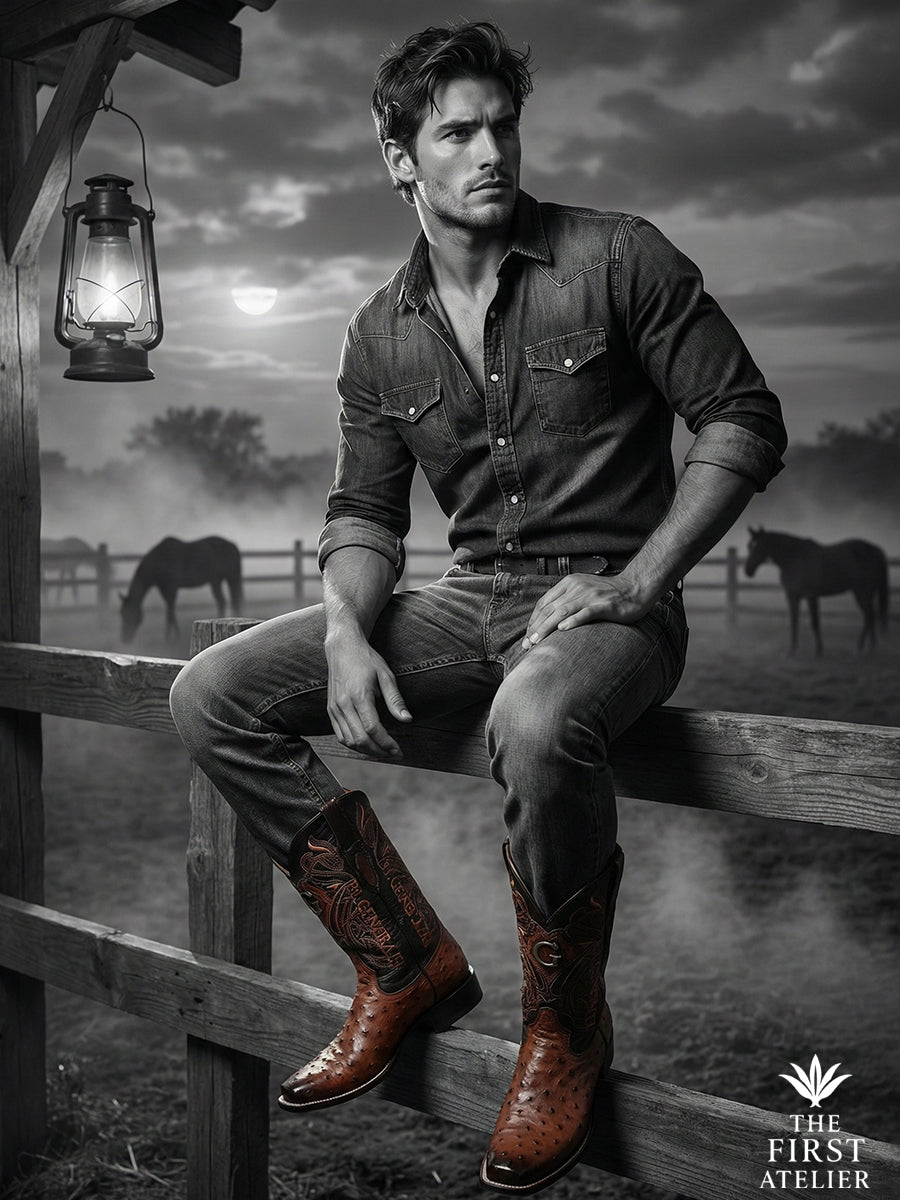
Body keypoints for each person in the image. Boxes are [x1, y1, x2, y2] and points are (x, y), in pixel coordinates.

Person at [169, 19, 787, 1194]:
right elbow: (363, 513)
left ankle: (564, 1030)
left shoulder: (618, 258)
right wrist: (347, 628)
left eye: (502, 126)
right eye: (457, 133)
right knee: (212, 693)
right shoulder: (377, 333)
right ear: (399, 158)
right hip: (466, 600)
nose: (491, 151)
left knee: (537, 719)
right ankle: (403, 963)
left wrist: (639, 581)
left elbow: (744, 420)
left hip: (612, 609)